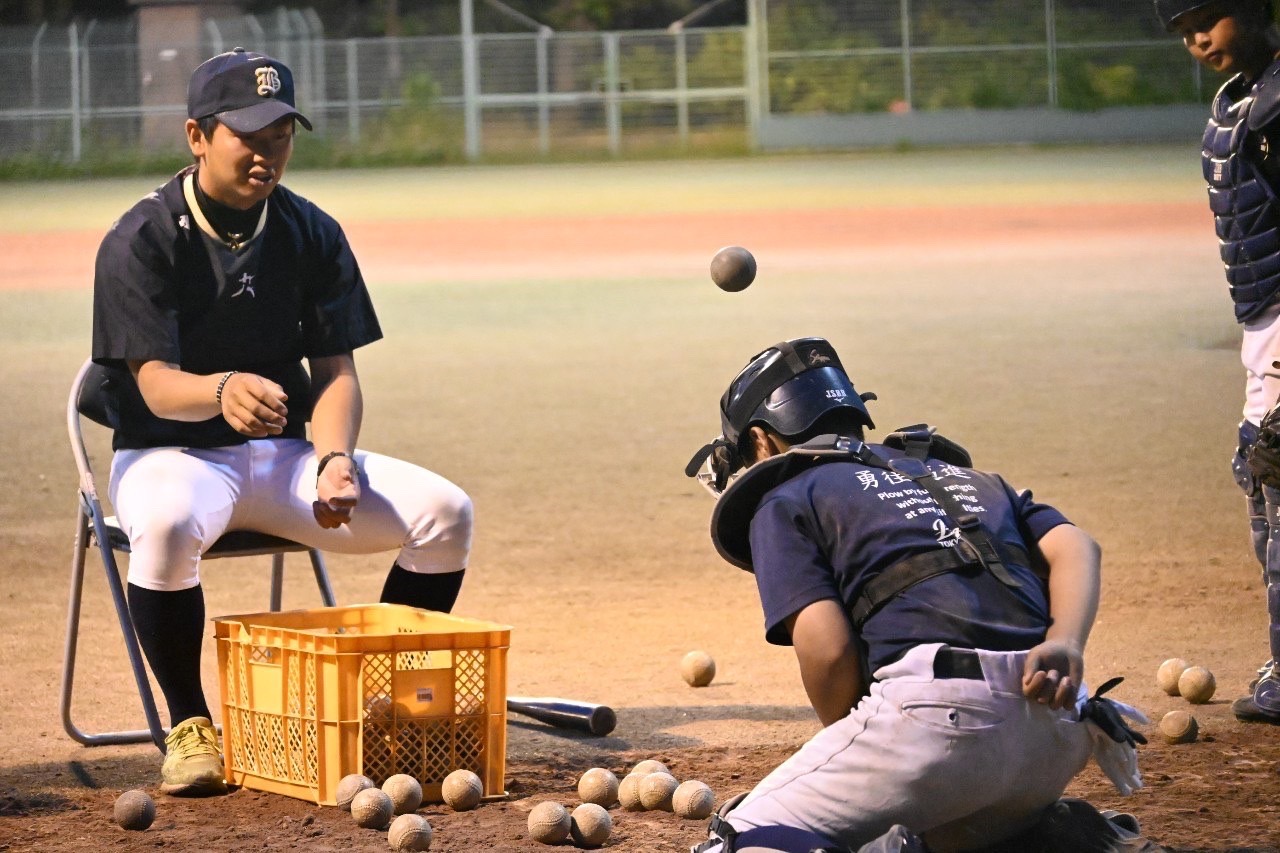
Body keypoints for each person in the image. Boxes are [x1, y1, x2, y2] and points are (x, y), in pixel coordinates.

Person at [91, 47, 474, 795]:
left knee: (447, 514)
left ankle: (381, 709)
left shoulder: (311, 230)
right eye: (249, 135)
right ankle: (189, 722)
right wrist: (223, 388)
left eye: (281, 135)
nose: (268, 153)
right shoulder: (141, 237)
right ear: (197, 135)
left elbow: (336, 374)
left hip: (284, 457)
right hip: (170, 454)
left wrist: (335, 459)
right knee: (167, 524)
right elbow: (158, 388)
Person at [682, 338, 1150, 853]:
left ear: (762, 441)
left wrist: (855, 740)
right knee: (952, 827)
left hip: (937, 728)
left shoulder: (786, 497)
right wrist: (1066, 641)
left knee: (736, 838)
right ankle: (1046, 835)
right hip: (1061, 727)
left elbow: (828, 648)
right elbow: (1077, 546)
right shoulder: (967, 477)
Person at [1155, 0, 1280, 724]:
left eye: (1210, 17)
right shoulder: (1239, 103)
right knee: (1258, 478)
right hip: (1263, 329)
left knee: (1276, 485)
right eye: (1183, 29)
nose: (1198, 38)